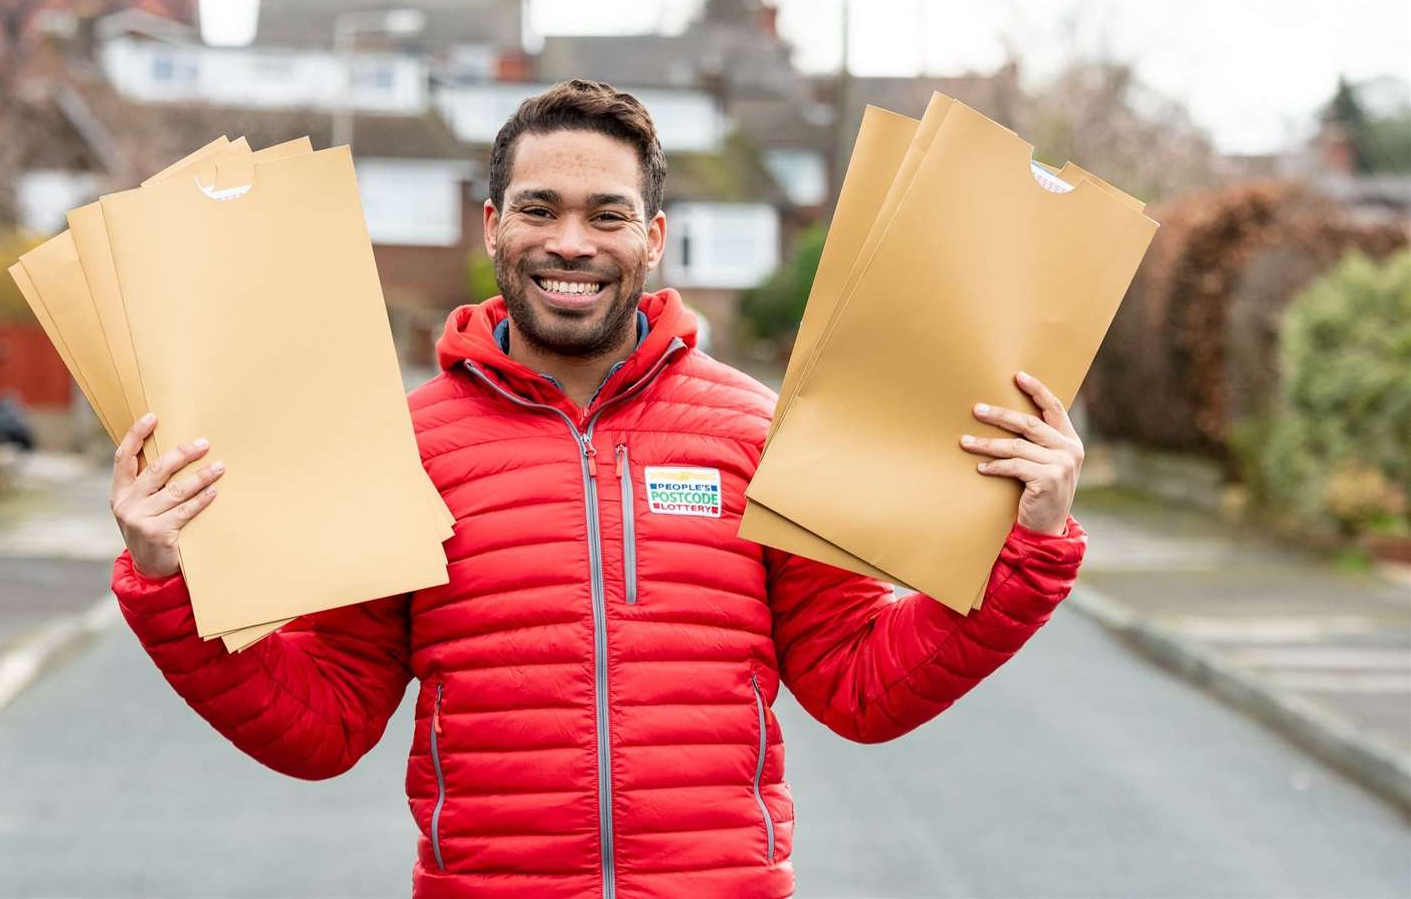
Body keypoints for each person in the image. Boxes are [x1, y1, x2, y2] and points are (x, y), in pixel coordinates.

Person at [109, 79, 1088, 899]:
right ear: (494, 224)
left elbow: (859, 684)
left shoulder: (754, 431)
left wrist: (1029, 553)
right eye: (539, 208)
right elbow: (324, 723)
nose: (570, 242)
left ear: (653, 235)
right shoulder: (401, 447)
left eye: (605, 214)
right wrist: (167, 587)